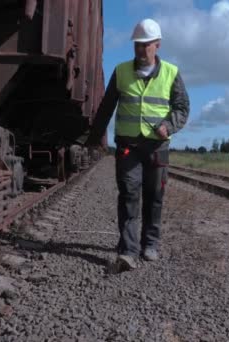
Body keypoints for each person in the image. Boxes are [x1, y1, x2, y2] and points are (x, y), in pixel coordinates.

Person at [86, 18, 190, 271]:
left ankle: (150, 243)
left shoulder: (171, 73)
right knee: (129, 195)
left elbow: (182, 107)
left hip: (157, 147)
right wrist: (92, 139)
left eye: (146, 45)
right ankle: (128, 250)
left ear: (158, 45)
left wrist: (169, 125)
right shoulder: (121, 72)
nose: (141, 50)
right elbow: (106, 108)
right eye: (137, 45)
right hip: (128, 146)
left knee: (155, 197)